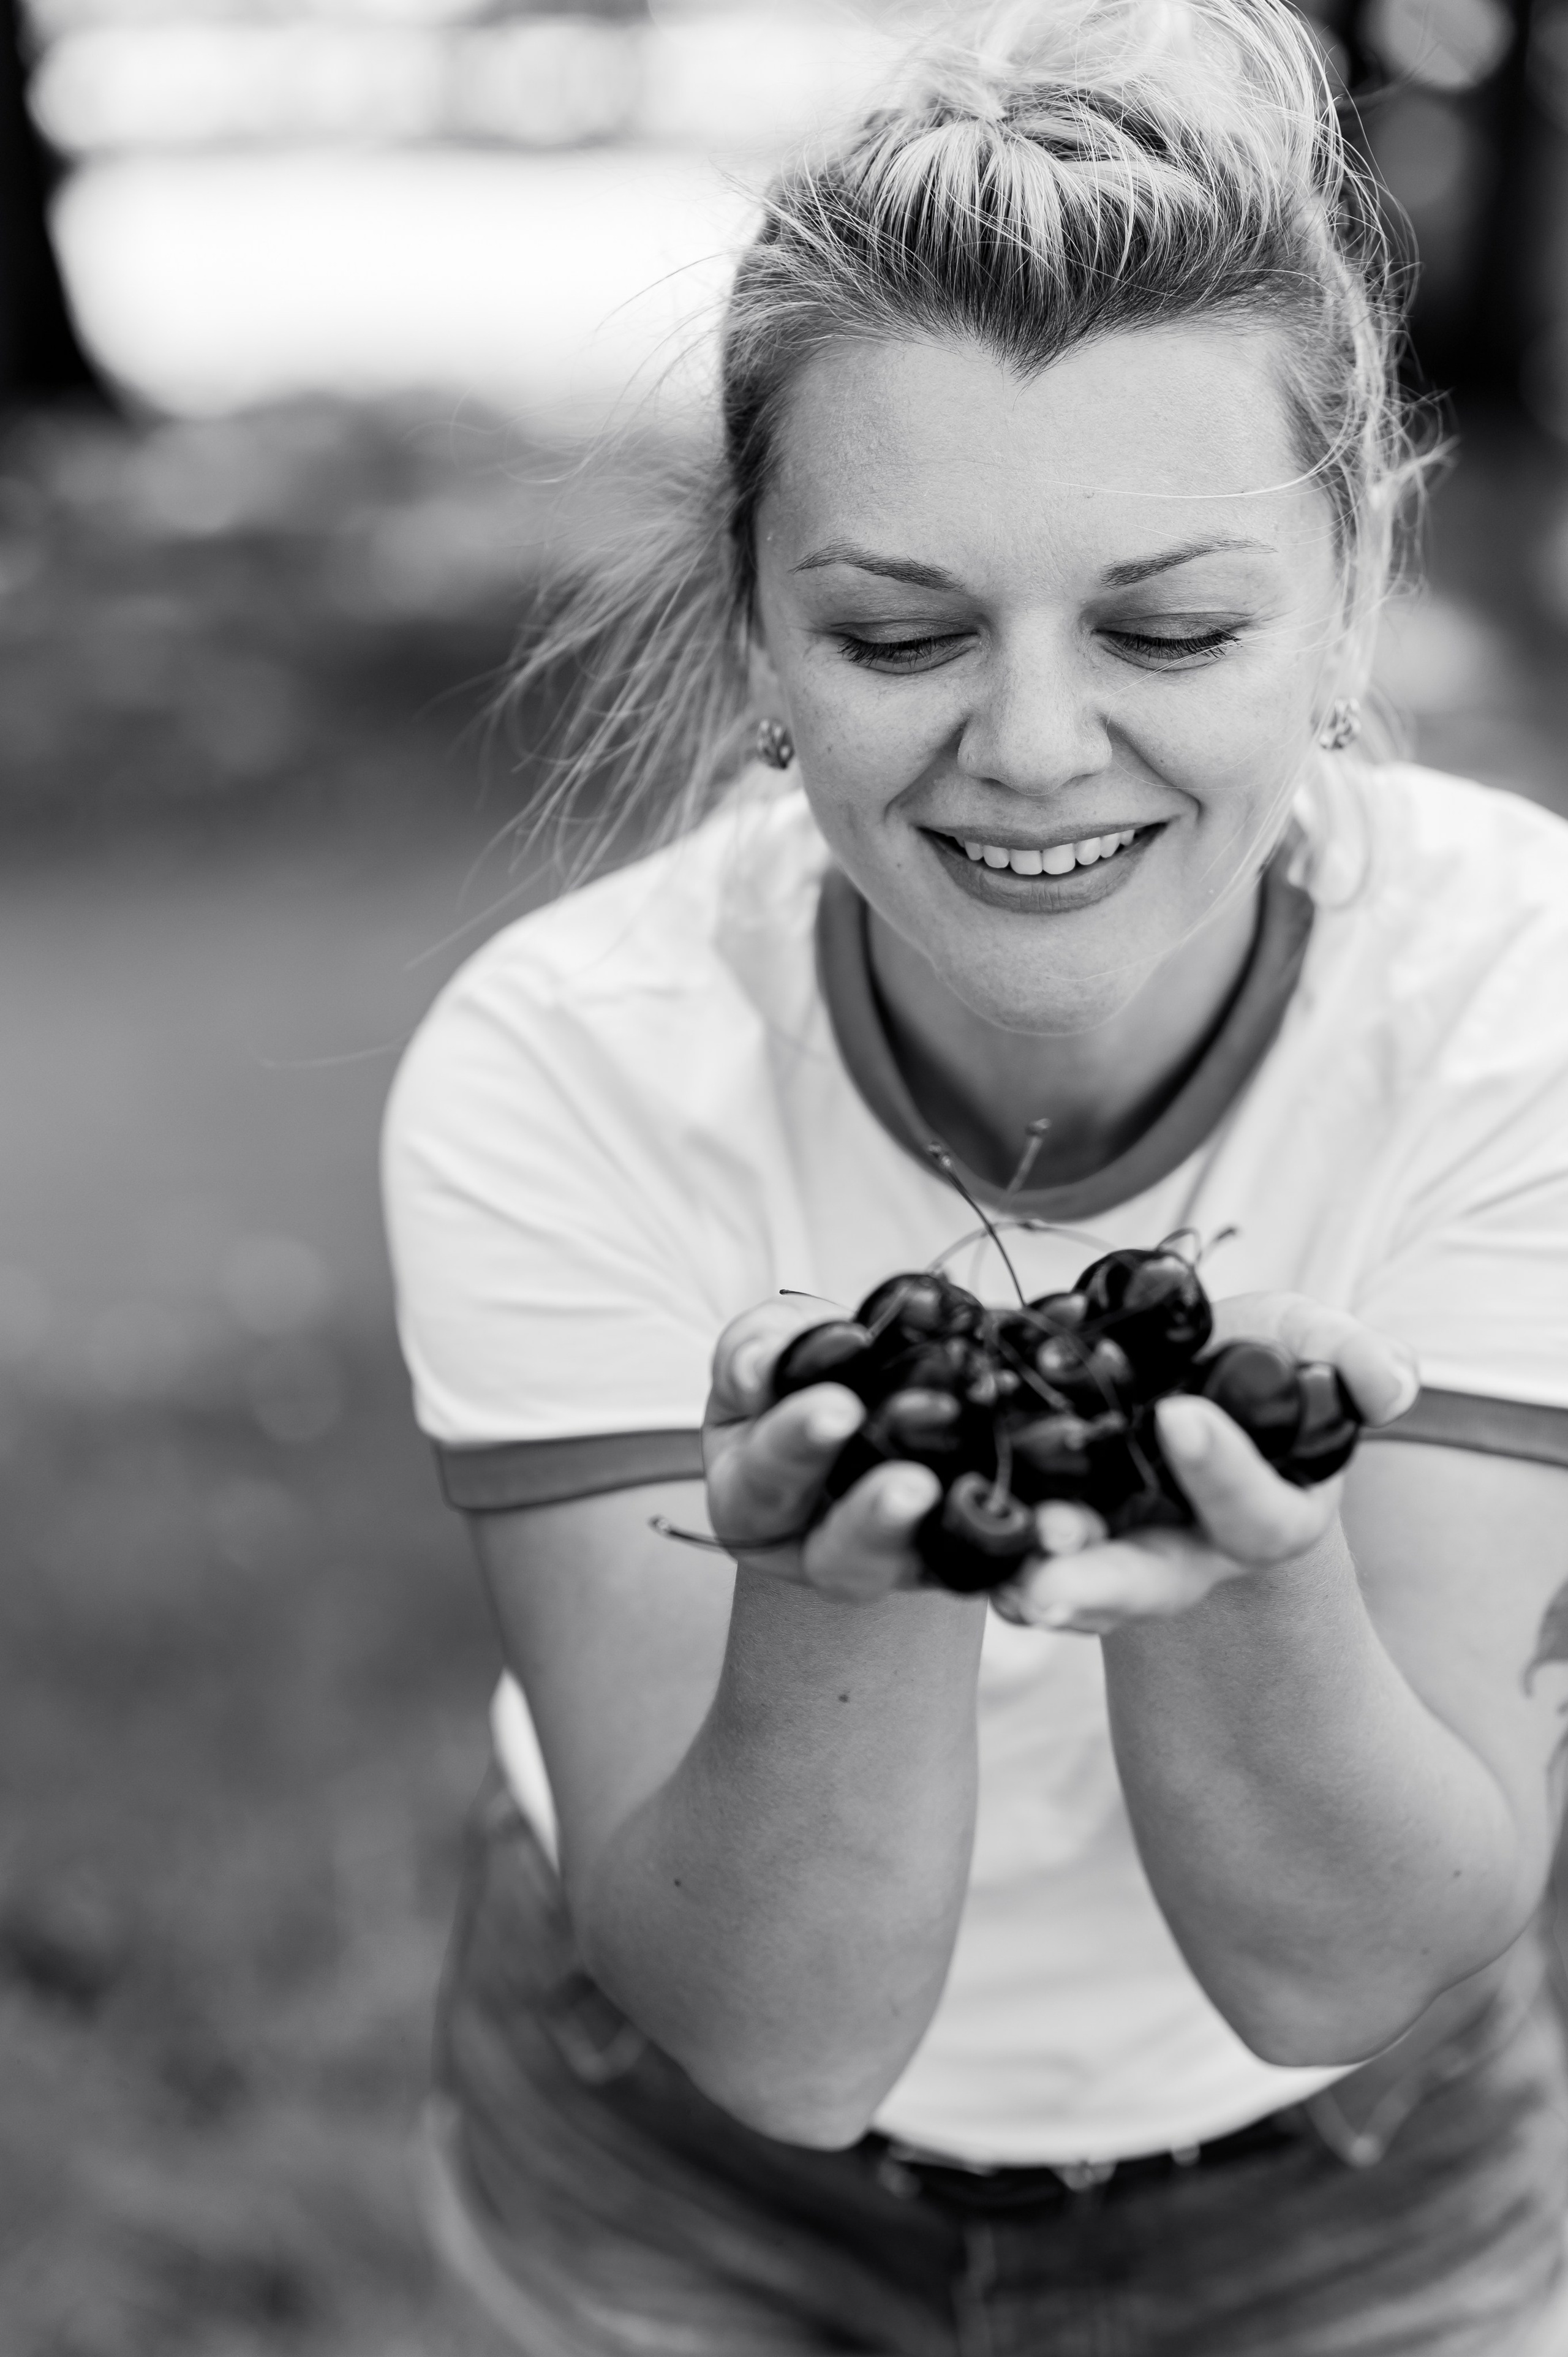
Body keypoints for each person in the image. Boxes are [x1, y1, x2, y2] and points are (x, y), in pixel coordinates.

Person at [382, 2, 1568, 2348]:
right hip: (686, 2198)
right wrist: (839, 1580)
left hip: (1350, 2203)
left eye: (1172, 626)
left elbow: (1340, 1965)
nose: (1032, 747)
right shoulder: (559, 1072)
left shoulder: (1521, 1009)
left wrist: (1245, 1577)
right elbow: (785, 2040)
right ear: (758, 632)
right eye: (900, 631)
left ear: (1350, 599)